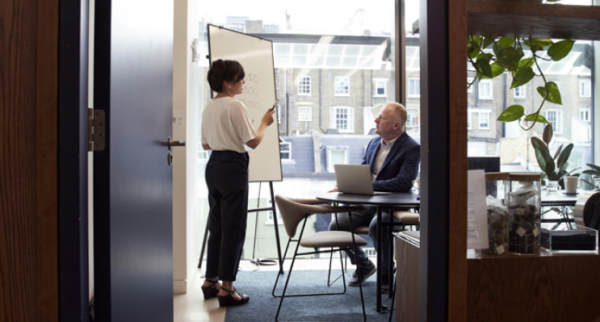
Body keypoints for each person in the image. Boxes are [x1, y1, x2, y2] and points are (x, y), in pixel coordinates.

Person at [200, 59, 275, 307]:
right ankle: (228, 289)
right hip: (233, 167)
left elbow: (206, 144)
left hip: (213, 166)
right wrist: (264, 123)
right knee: (234, 227)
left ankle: (211, 281)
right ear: (228, 83)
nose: (243, 82)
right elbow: (252, 142)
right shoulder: (235, 105)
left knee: (218, 226)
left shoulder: (209, 107)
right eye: (240, 78)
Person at [328, 102, 420, 292]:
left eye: (382, 118)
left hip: (393, 206)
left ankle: (386, 273)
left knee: (377, 226)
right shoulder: (372, 144)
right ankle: (363, 264)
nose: (376, 120)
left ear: (396, 125)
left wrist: (368, 186)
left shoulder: (411, 147)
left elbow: (403, 182)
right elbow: (363, 173)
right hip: (368, 203)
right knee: (337, 226)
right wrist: (344, 185)